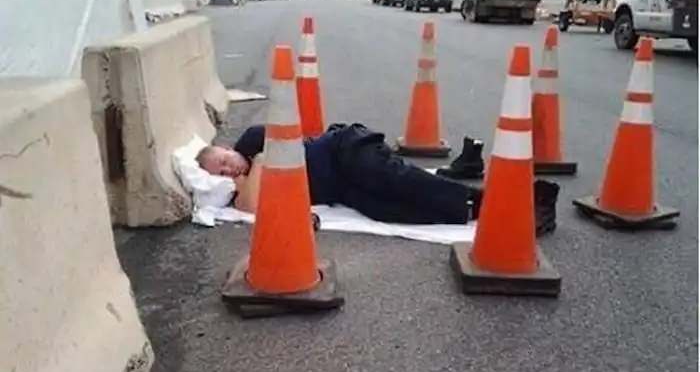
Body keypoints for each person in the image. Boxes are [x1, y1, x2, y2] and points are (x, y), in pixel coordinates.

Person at [196, 123, 559, 236]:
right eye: (221, 173)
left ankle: (521, 199)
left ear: (228, 148)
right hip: (342, 189)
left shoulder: (252, 140)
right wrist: (243, 181)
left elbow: (276, 152)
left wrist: (255, 165)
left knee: (393, 179)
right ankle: (481, 212)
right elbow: (250, 207)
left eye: (225, 161)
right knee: (389, 210)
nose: (230, 170)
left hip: (344, 149)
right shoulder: (241, 188)